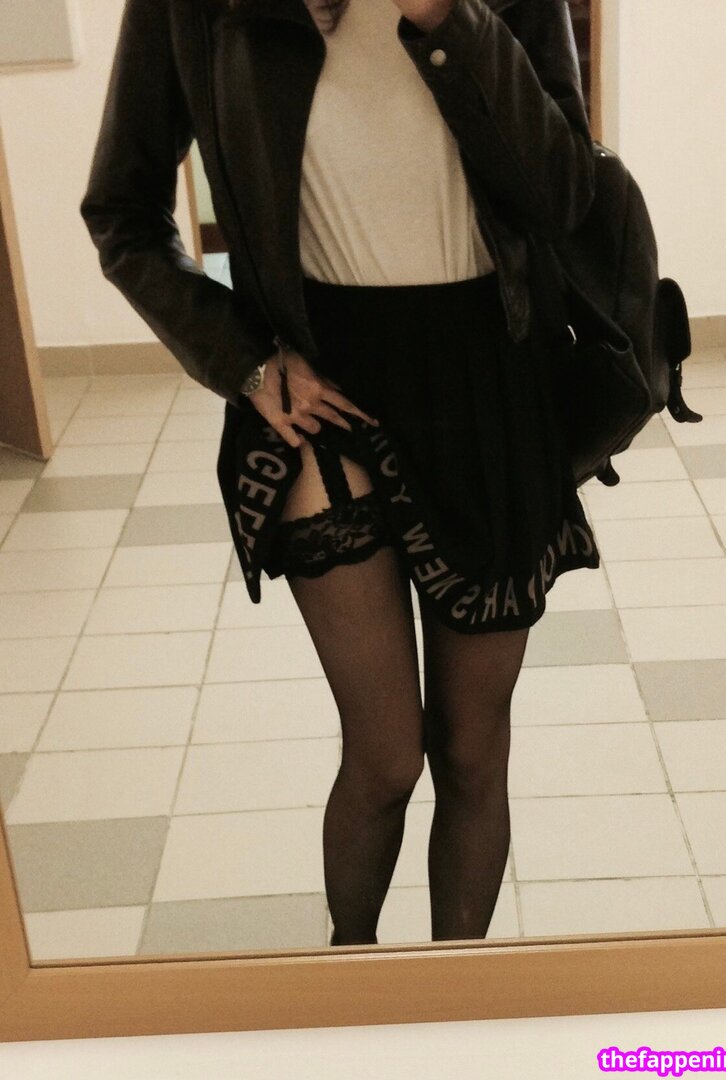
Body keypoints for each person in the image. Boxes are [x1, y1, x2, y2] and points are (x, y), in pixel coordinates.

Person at [81, 0, 601, 947]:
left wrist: (450, 20)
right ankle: (349, 981)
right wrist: (241, 359)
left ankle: (455, 997)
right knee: (387, 754)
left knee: (473, 752)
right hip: (322, 378)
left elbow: (566, 192)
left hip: (490, 378)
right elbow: (122, 210)